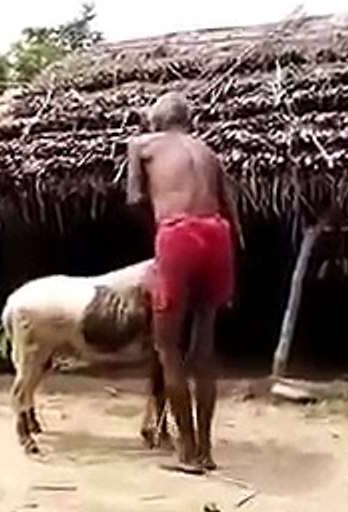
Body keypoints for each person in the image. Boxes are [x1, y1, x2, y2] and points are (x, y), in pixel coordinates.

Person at [125, 91, 241, 474]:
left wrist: (163, 243)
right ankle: (207, 451)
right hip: (218, 235)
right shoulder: (208, 152)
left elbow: (134, 199)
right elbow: (230, 208)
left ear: (155, 120)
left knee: (167, 346)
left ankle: (187, 452)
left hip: (178, 236)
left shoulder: (142, 145)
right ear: (189, 120)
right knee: (203, 350)